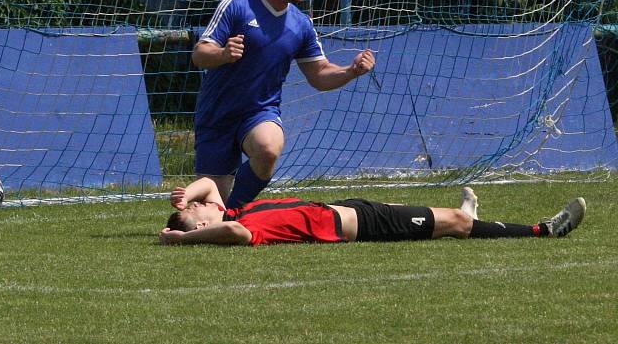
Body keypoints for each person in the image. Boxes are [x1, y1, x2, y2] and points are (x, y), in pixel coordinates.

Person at [192, 0, 376, 208]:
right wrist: (222, 54)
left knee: (268, 148)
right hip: (217, 114)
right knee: (209, 208)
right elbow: (200, 54)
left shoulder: (301, 24)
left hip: (259, 112)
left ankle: (233, 212)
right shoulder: (237, 5)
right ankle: (222, 212)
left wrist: (351, 71)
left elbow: (319, 73)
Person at [158, 177, 587, 246]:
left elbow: (210, 186)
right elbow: (234, 233)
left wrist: (184, 198)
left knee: (422, 211)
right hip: (359, 225)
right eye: (197, 211)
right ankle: (542, 230)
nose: (201, 205)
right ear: (200, 226)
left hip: (349, 207)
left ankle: (465, 214)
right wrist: (184, 235)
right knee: (456, 225)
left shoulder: (227, 208)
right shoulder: (232, 226)